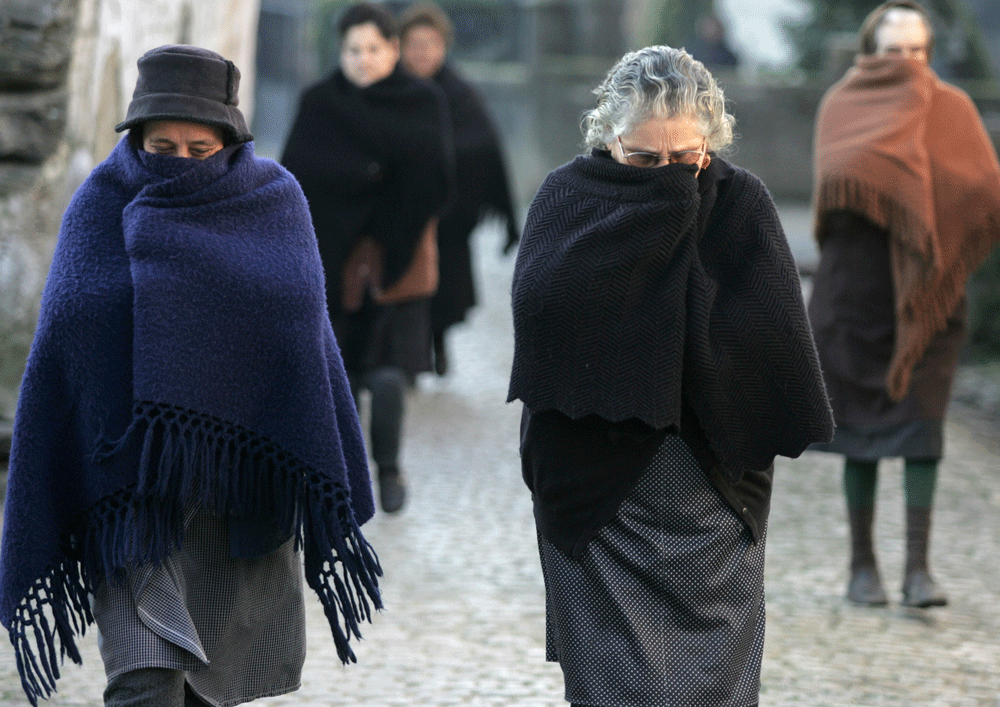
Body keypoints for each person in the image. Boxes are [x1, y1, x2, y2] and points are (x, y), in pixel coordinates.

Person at [0, 45, 382, 707]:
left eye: (197, 149)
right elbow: (68, 326)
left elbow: (299, 325)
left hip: (237, 490)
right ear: (137, 138)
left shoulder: (274, 202)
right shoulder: (100, 200)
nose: (176, 161)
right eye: (161, 144)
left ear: (229, 141)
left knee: (212, 690)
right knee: (144, 682)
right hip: (131, 499)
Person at [508, 46, 833, 707]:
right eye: (645, 160)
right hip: (593, 490)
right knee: (611, 684)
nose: (666, 178)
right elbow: (542, 315)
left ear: (711, 142)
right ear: (609, 139)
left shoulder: (740, 204)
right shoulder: (569, 196)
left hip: (712, 488)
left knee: (712, 683)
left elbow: (773, 343)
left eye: (686, 161)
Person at [808, 0, 1000, 608]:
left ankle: (919, 569)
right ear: (872, 52)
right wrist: (894, 178)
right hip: (855, 294)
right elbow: (835, 179)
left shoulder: (953, 107)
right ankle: (862, 566)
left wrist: (937, 196)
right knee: (860, 431)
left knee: (923, 429)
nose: (906, 63)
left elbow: (981, 187)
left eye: (917, 51)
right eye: (894, 51)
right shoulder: (842, 105)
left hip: (931, 294)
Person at [282, 2, 452, 513]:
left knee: (388, 374)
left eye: (373, 49)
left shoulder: (421, 101)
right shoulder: (320, 102)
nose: (362, 60)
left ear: (393, 50)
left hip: (395, 256)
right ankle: (342, 474)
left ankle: (390, 469)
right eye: (353, 50)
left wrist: (384, 239)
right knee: (340, 374)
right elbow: (294, 177)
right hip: (329, 256)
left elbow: (434, 179)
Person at [398, 2, 520, 376]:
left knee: (444, 289)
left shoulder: (460, 93)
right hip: (400, 211)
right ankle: (406, 356)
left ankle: (438, 344)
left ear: (444, 46)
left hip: (448, 215)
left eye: (430, 43)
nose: (422, 52)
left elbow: (484, 144)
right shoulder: (391, 90)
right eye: (414, 43)